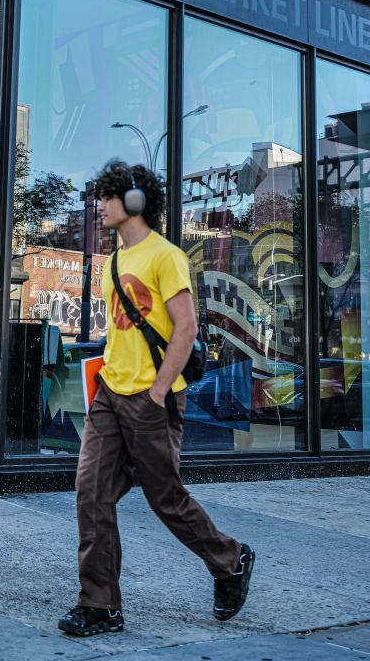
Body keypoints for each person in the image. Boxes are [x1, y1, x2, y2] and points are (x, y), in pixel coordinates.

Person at [58, 161, 254, 637]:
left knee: (165, 498)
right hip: (111, 392)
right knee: (92, 492)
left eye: (106, 197)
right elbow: (118, 332)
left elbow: (185, 329)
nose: (99, 206)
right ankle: (100, 605)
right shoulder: (114, 263)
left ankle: (230, 559)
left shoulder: (166, 257)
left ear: (134, 202)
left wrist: (158, 391)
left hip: (153, 398)